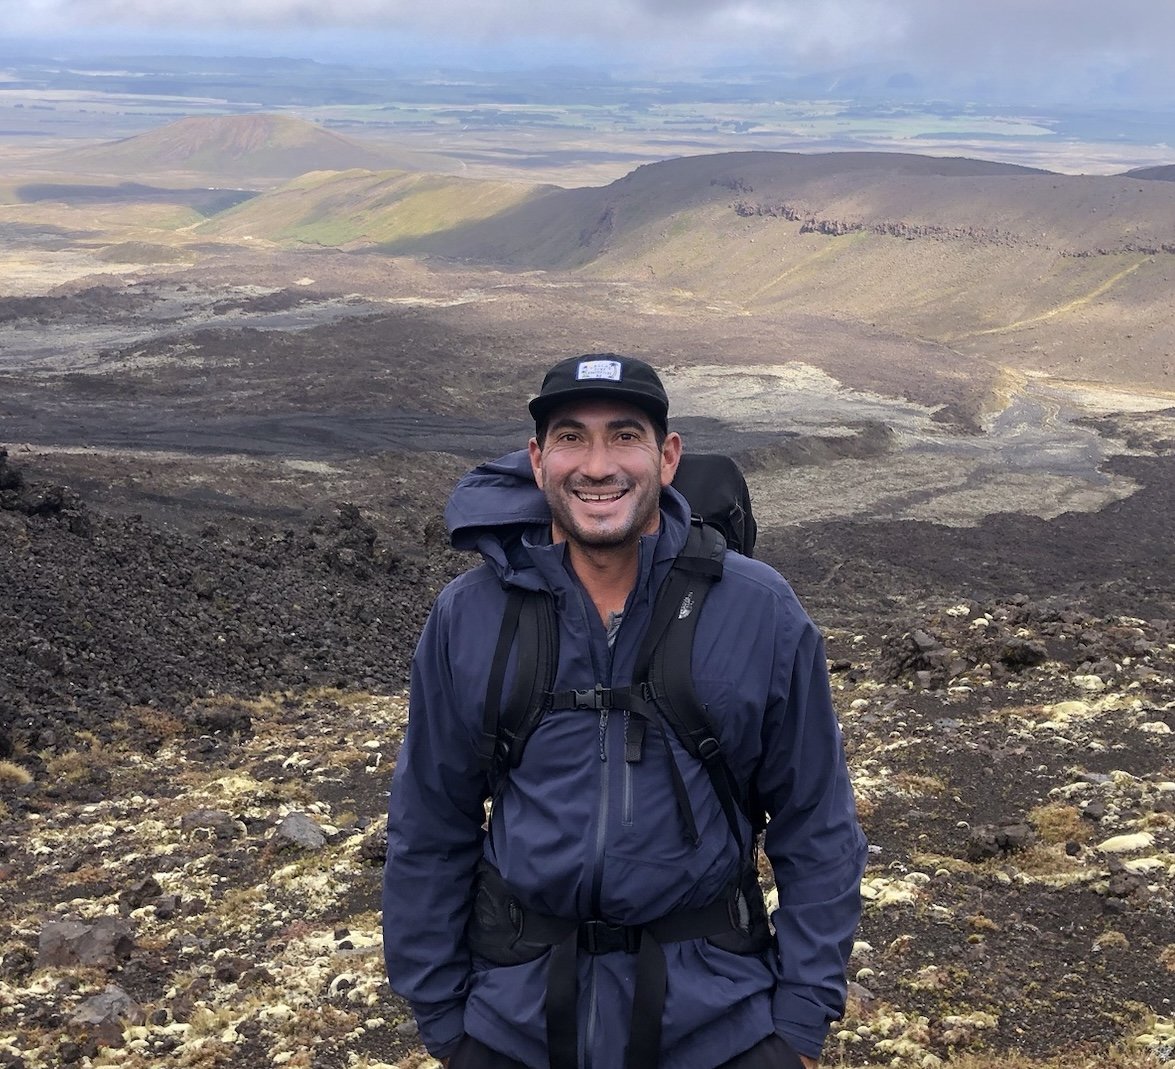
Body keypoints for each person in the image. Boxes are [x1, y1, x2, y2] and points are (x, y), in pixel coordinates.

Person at [383, 353, 866, 1069]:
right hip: (513, 1024)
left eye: (625, 436)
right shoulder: (469, 614)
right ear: (537, 459)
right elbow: (429, 821)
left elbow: (817, 823)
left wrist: (798, 1025)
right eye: (571, 437)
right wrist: (445, 1022)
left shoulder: (759, 609)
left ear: (667, 458)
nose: (598, 465)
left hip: (719, 1024)